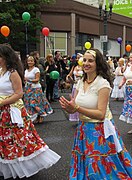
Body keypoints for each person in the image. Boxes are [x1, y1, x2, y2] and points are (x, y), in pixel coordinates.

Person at [59, 49, 132, 179]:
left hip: (100, 130)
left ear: (98, 63)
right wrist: (68, 107)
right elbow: (75, 107)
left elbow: (100, 114)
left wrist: (76, 107)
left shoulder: (103, 83)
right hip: (83, 129)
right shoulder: (80, 82)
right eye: (84, 60)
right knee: (86, 163)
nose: (86, 63)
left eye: (90, 61)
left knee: (99, 166)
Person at [0, 44, 60, 179]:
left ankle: (25, 166)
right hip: (2, 111)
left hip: (12, 110)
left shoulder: (12, 72)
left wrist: (2, 102)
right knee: (5, 141)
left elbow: (18, 93)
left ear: (5, 57)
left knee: (19, 139)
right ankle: (8, 166)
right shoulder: (1, 71)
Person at [23, 56, 53, 123]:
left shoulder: (36, 69)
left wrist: (28, 80)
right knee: (28, 104)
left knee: (34, 103)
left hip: (35, 88)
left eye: (31, 61)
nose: (29, 62)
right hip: (28, 89)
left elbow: (37, 79)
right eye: (28, 61)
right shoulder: (26, 70)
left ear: (34, 62)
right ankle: (33, 116)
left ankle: (40, 115)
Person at [68, 57, 84, 121]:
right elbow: (69, 74)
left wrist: (80, 75)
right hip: (75, 85)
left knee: (80, 102)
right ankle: (75, 118)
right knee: (75, 101)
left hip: (81, 85)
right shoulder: (74, 66)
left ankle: (81, 117)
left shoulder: (84, 67)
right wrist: (69, 77)